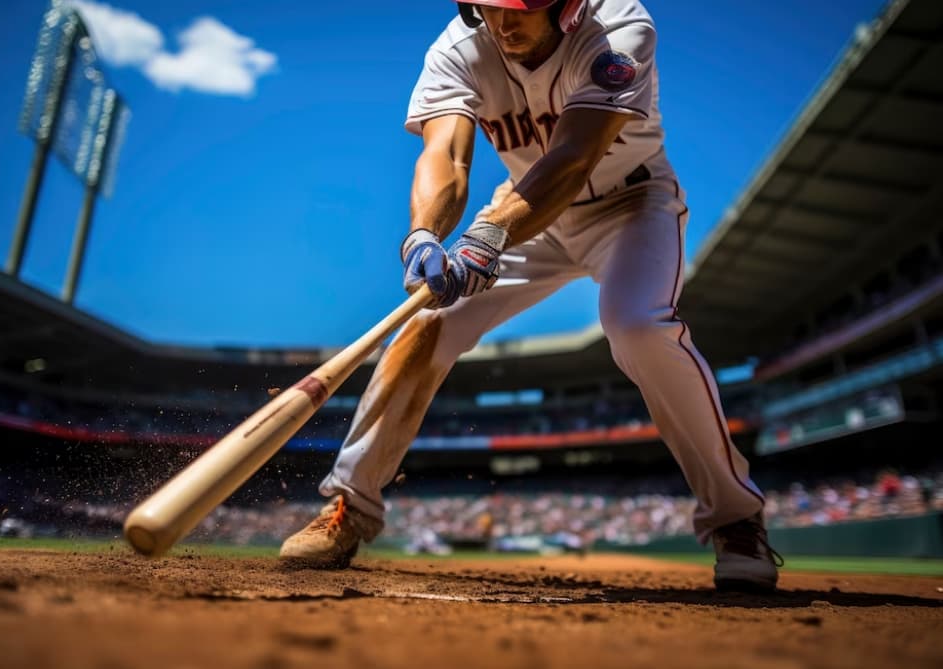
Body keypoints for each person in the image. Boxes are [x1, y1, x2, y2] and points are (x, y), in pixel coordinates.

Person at [280, 0, 782, 591]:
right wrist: (424, 234)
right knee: (425, 323)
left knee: (638, 327)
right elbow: (446, 157)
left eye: (521, 8)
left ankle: (735, 519)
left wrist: (490, 235)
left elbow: (574, 157)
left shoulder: (619, 27)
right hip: (523, 210)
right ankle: (350, 505)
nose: (504, 23)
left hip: (627, 204)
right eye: (488, 8)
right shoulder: (458, 48)